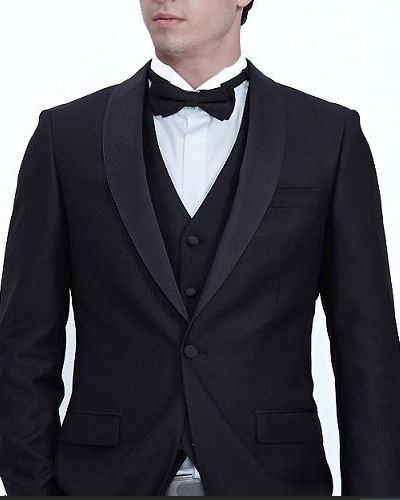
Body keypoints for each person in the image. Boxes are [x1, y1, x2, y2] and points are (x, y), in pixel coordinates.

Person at [0, 0, 399, 496]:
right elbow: (23, 343)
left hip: (271, 481)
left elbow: (368, 350)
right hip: (104, 481)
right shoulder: (66, 137)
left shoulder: (327, 137)